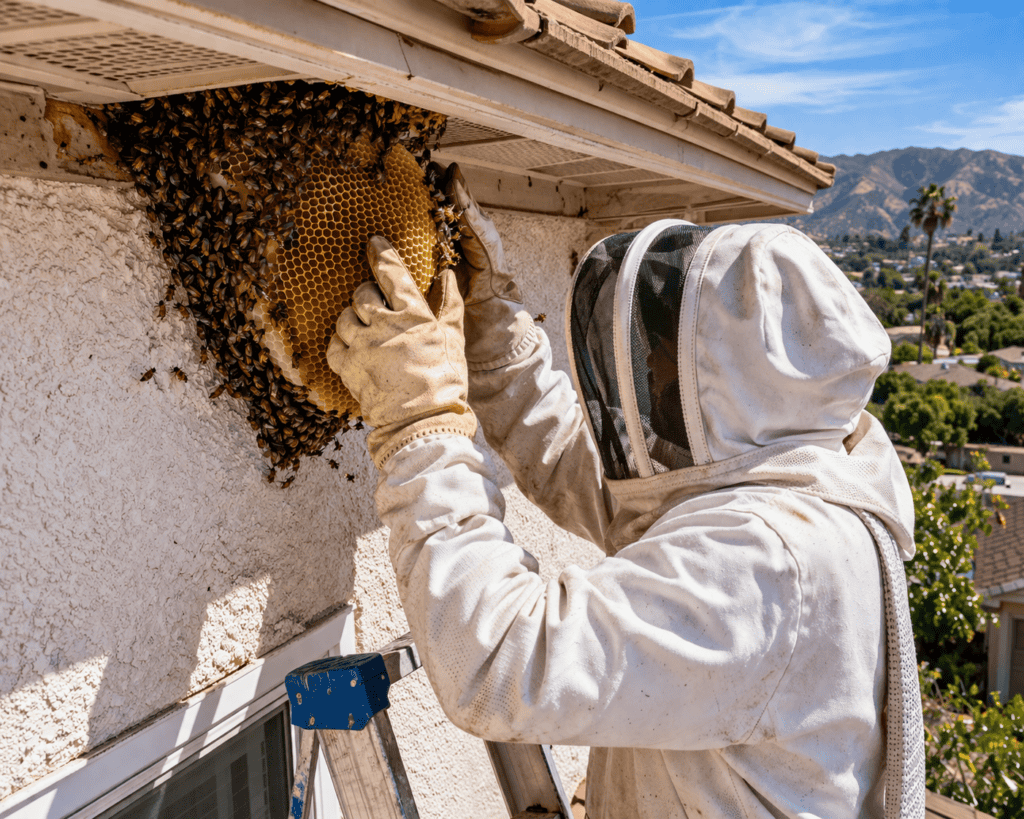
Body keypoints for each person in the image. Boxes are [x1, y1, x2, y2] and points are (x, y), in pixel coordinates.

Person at [326, 165, 923, 819]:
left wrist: (418, 420)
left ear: (733, 378)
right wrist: (491, 326)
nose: (648, 372)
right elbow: (583, 472)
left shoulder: (767, 562)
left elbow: (497, 658)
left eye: (667, 353)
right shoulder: (809, 478)